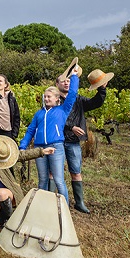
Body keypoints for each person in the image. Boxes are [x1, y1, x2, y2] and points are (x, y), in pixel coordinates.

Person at [19, 67, 79, 200]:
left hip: (56, 147)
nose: (46, 99)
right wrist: (23, 146)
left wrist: (74, 77)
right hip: (39, 148)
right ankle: (42, 206)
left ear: (57, 98)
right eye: (45, 96)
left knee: (59, 180)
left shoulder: (63, 110)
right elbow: (30, 130)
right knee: (42, 180)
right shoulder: (39, 114)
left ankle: (64, 208)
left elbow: (72, 93)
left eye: (49, 96)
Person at [57, 71, 108, 213]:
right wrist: (70, 127)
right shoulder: (54, 100)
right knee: (54, 173)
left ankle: (79, 203)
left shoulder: (78, 99)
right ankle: (54, 201)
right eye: (63, 81)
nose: (66, 83)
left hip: (73, 141)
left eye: (68, 81)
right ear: (57, 84)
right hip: (58, 140)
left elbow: (95, 103)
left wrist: (102, 89)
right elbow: (54, 119)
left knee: (76, 172)